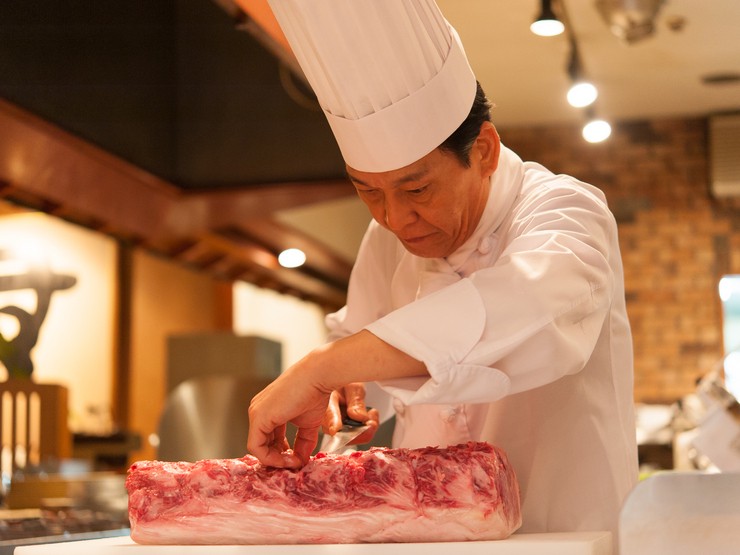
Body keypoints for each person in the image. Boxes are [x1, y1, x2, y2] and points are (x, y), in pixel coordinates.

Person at [248, 0, 638, 540]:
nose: (394, 218)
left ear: (484, 151)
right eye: (368, 191)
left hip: (561, 535)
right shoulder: (388, 239)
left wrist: (325, 366)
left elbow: (531, 309)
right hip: (424, 535)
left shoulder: (565, 210)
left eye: (416, 188)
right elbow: (360, 350)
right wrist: (342, 392)